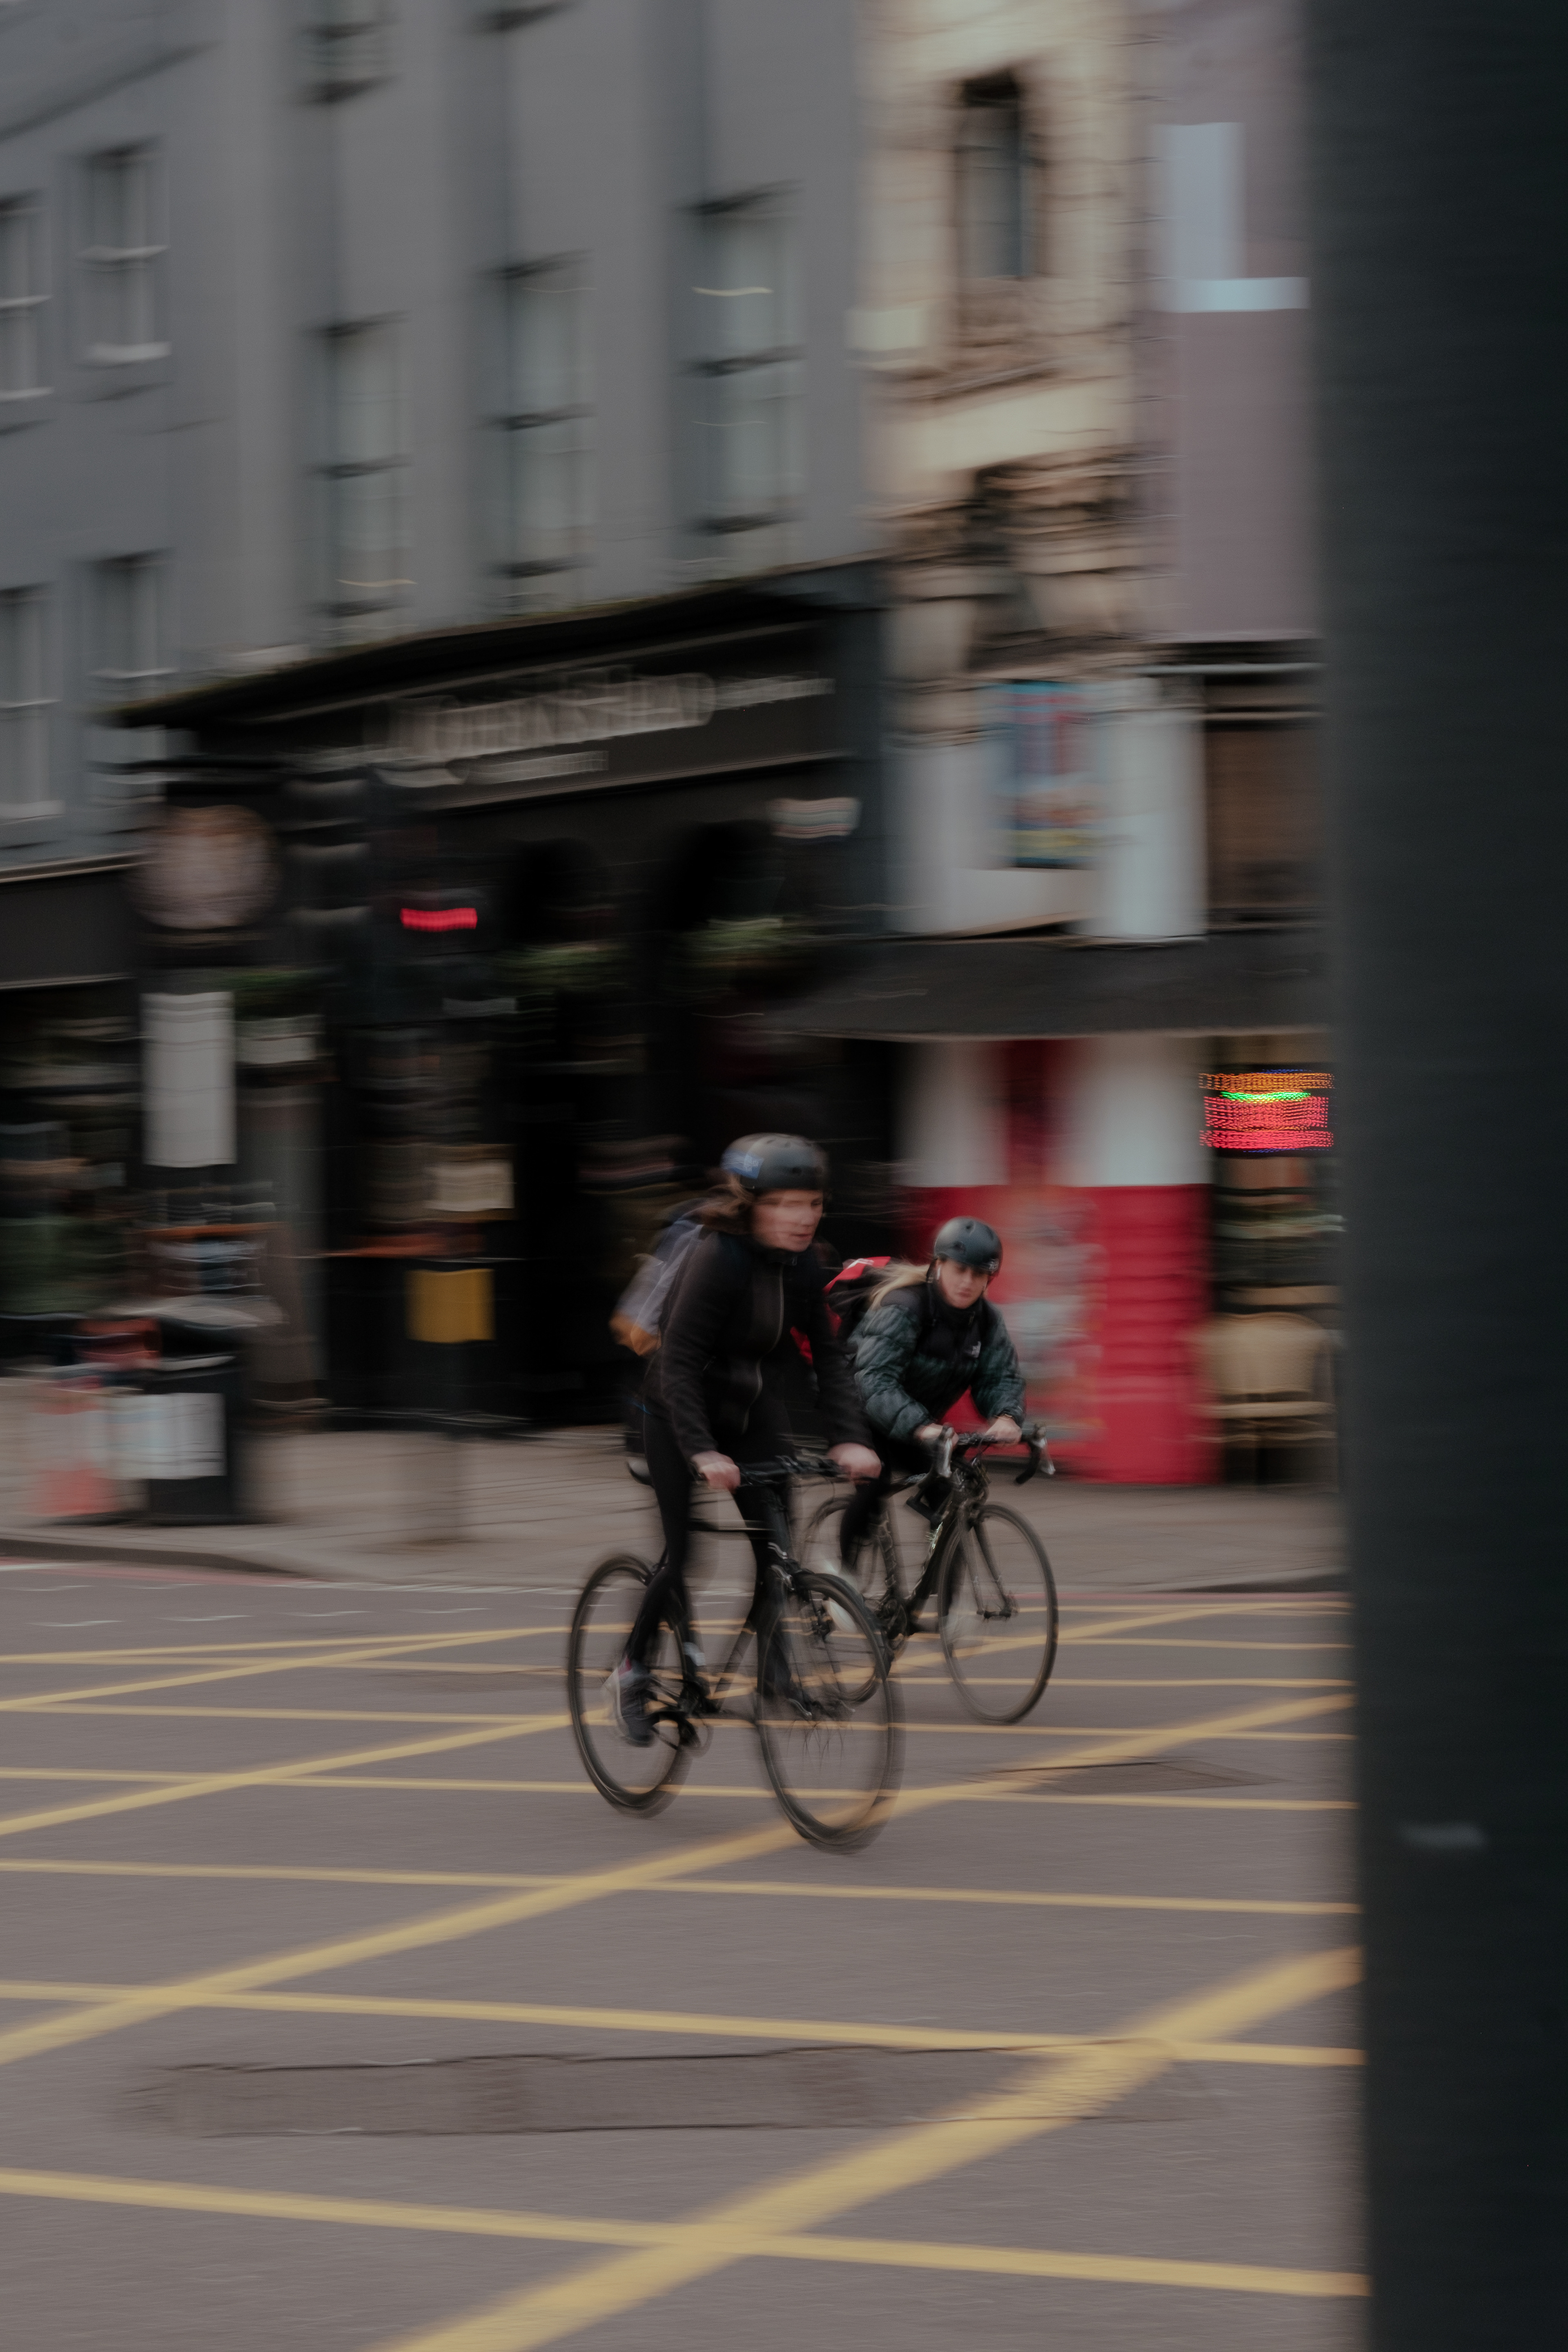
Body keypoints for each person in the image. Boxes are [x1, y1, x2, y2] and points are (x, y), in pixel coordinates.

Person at [613, 1134, 881, 1744]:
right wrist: (702, 1450)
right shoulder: (720, 1257)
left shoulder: (808, 1265)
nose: (803, 1217)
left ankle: (774, 1675)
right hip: (676, 1416)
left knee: (776, 1554)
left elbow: (830, 1360)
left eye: (812, 1203)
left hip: (752, 1414)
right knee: (685, 1560)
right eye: (787, 1204)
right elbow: (677, 1362)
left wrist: (849, 1438)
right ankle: (632, 1668)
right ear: (754, 1205)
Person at [839, 1216, 1026, 1621]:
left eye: (980, 1274)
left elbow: (999, 1377)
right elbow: (875, 1380)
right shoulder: (904, 1307)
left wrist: (1007, 1415)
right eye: (961, 1270)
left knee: (954, 1489)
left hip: (919, 1421)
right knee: (873, 1483)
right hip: (863, 1405)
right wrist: (921, 1426)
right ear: (938, 1265)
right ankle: (842, 1582)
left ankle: (945, 1605)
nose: (968, 1282)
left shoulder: (987, 1321)